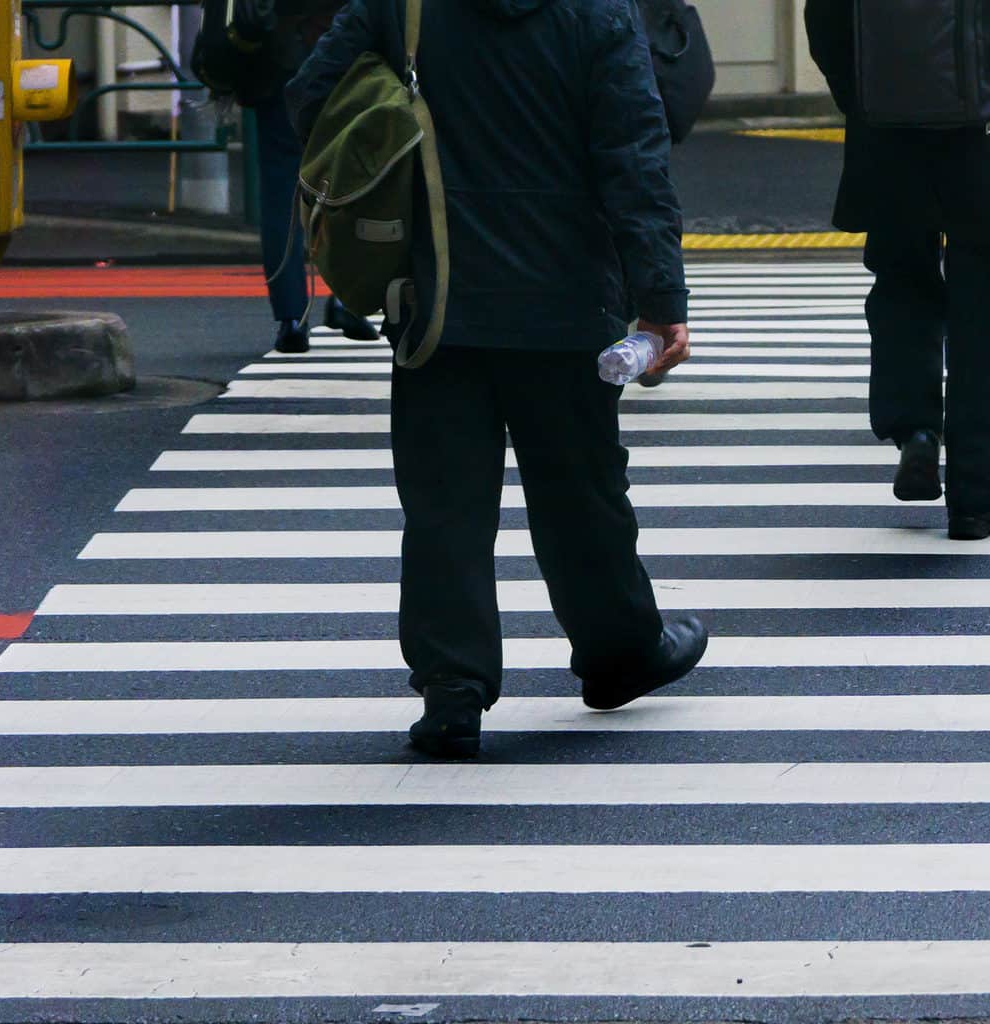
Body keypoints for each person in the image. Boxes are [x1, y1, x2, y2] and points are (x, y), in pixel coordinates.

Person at [289, 0, 706, 759]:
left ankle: (453, 688)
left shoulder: (404, 5)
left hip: (440, 296)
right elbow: (634, 157)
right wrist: (660, 301)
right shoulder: (600, 12)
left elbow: (313, 94)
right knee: (582, 491)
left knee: (445, 501)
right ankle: (619, 651)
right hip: (568, 297)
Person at [806, 0, 990, 540]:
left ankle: (916, 430)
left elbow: (824, 22)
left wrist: (863, 99)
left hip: (889, 132)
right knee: (985, 311)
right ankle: (975, 501)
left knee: (901, 279)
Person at [231, 0, 380, 355]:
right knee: (349, 180)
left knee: (281, 190)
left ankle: (291, 317)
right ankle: (347, 299)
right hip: (341, 52)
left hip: (277, 56)